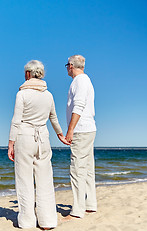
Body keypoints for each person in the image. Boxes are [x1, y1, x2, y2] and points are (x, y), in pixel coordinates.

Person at [8, 60, 69, 230]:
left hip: (25, 137)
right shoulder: (48, 95)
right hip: (43, 138)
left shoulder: (22, 94)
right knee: (45, 180)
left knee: (24, 180)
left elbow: (16, 120)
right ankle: (48, 221)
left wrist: (11, 143)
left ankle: (27, 221)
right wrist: (60, 135)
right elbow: (53, 118)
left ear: (28, 74)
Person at [63, 55, 97, 220]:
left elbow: (79, 106)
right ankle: (90, 204)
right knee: (87, 168)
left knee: (77, 169)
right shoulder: (85, 80)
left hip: (82, 129)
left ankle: (77, 209)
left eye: (66, 65)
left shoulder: (80, 81)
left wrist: (70, 130)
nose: (66, 68)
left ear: (71, 65)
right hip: (88, 128)